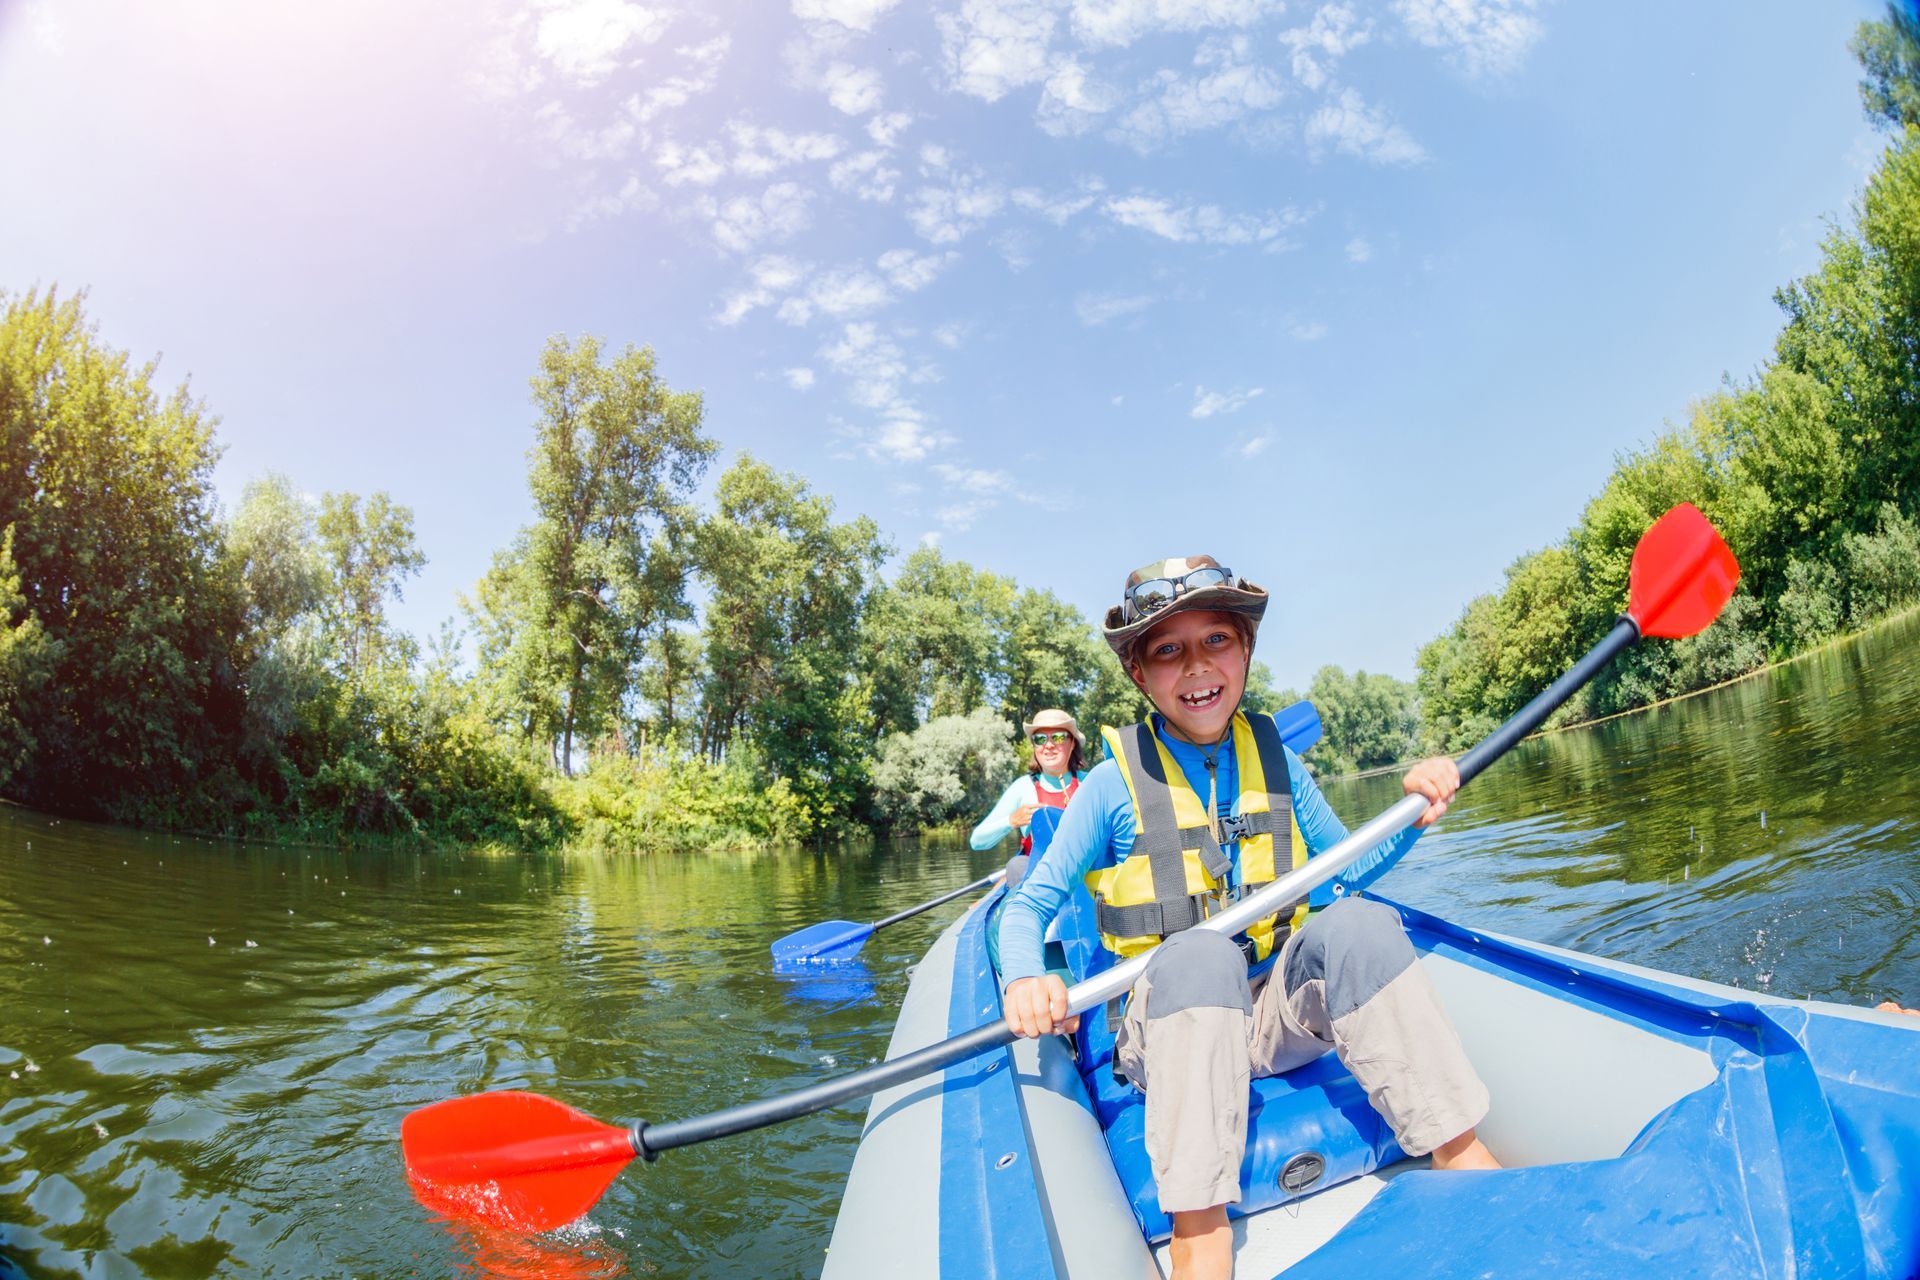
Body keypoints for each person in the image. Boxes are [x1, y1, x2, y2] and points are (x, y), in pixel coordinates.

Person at [997, 557, 1497, 1280]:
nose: (1197, 666)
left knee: (1359, 923)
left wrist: (1414, 811)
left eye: (1216, 641)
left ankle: (1459, 1150)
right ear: (1140, 675)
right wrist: (1025, 977)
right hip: (1170, 1031)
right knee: (1201, 954)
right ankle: (1201, 1232)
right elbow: (1029, 907)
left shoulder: (1282, 766)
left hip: (1272, 1017)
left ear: (1245, 651)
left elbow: (1347, 870)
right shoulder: (1110, 785)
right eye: (1168, 649)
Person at [969, 708, 1089, 888]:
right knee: (1016, 866)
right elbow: (976, 841)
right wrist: (1012, 821)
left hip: (1085, 875)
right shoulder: (1023, 787)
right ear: (1034, 747)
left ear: (1072, 744)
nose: (1048, 745)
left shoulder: (1089, 783)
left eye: (1057, 737)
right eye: (1040, 739)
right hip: (1038, 881)